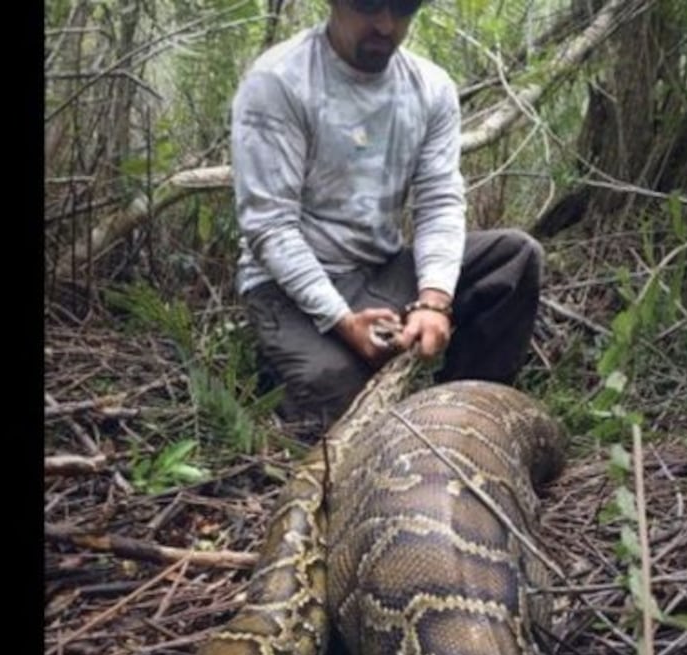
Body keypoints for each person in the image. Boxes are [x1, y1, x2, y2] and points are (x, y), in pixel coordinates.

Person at [230, 0, 544, 430]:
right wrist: (341, 321)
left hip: (380, 269)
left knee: (515, 257)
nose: (385, 24)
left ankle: (466, 416)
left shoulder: (430, 88)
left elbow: (438, 202)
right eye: (368, 5)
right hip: (287, 290)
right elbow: (270, 226)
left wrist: (434, 302)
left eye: (403, 7)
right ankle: (291, 368)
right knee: (340, 396)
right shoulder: (279, 81)